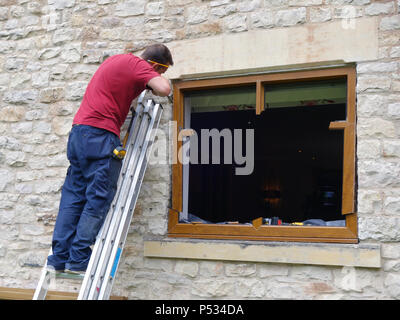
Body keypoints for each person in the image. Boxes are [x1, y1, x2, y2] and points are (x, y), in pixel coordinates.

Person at [46, 44, 173, 274]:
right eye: (160, 71)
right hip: (101, 137)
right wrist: (156, 79)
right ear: (154, 65)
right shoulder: (139, 65)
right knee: (98, 197)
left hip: (79, 134)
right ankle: (79, 258)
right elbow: (164, 89)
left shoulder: (115, 61)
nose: (157, 77)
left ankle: (58, 258)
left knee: (73, 197)